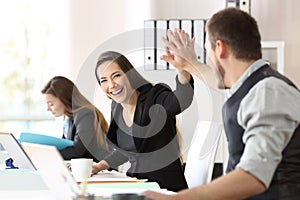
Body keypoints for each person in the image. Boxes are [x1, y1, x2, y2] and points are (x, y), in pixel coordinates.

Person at [145, 7, 300, 200]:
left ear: (220, 48)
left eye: (207, 50)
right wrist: (188, 64)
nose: (208, 59)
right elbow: (216, 80)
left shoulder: (268, 92)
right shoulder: (253, 87)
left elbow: (254, 176)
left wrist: (178, 199)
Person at [92, 51, 194, 192]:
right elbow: (126, 150)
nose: (111, 85)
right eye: (104, 80)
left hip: (164, 189)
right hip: (138, 186)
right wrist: (99, 166)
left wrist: (182, 70)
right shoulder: (116, 107)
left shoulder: (154, 97)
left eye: (116, 75)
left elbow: (180, 101)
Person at [41, 76, 110, 161]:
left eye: (51, 104)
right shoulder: (68, 118)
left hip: (98, 169)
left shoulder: (86, 114)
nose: (47, 109)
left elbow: (77, 151)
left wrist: (47, 155)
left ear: (64, 99)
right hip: (83, 169)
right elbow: (66, 145)